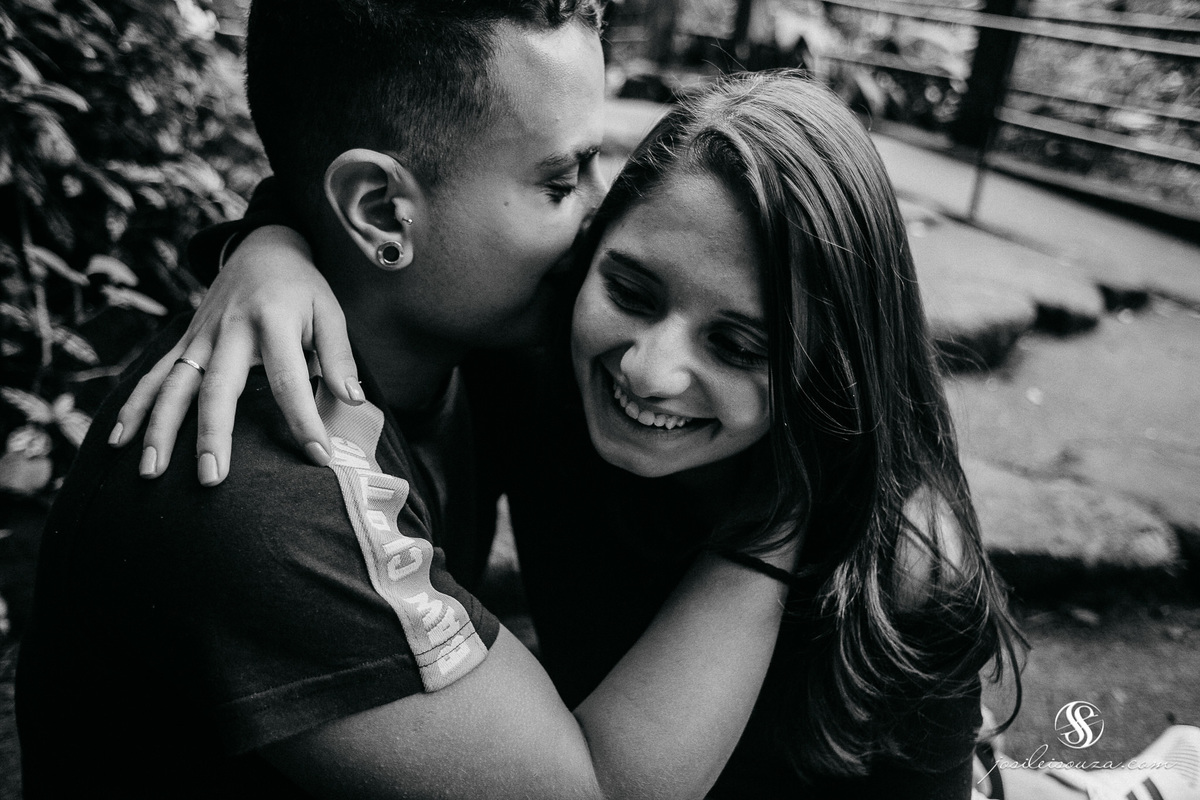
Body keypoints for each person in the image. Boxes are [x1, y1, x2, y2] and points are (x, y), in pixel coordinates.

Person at [108, 69, 1037, 797]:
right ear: (590, 252)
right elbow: (406, 237)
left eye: (739, 343)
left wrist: (776, 532)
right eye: (631, 290)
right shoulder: (550, 376)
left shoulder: (905, 576)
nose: (646, 370)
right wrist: (272, 247)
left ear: (831, 369)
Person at [15, 3, 801, 798]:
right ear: (382, 211)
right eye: (562, 179)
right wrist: (793, 516)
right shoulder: (261, 485)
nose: (601, 212)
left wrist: (270, 235)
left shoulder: (470, 332)